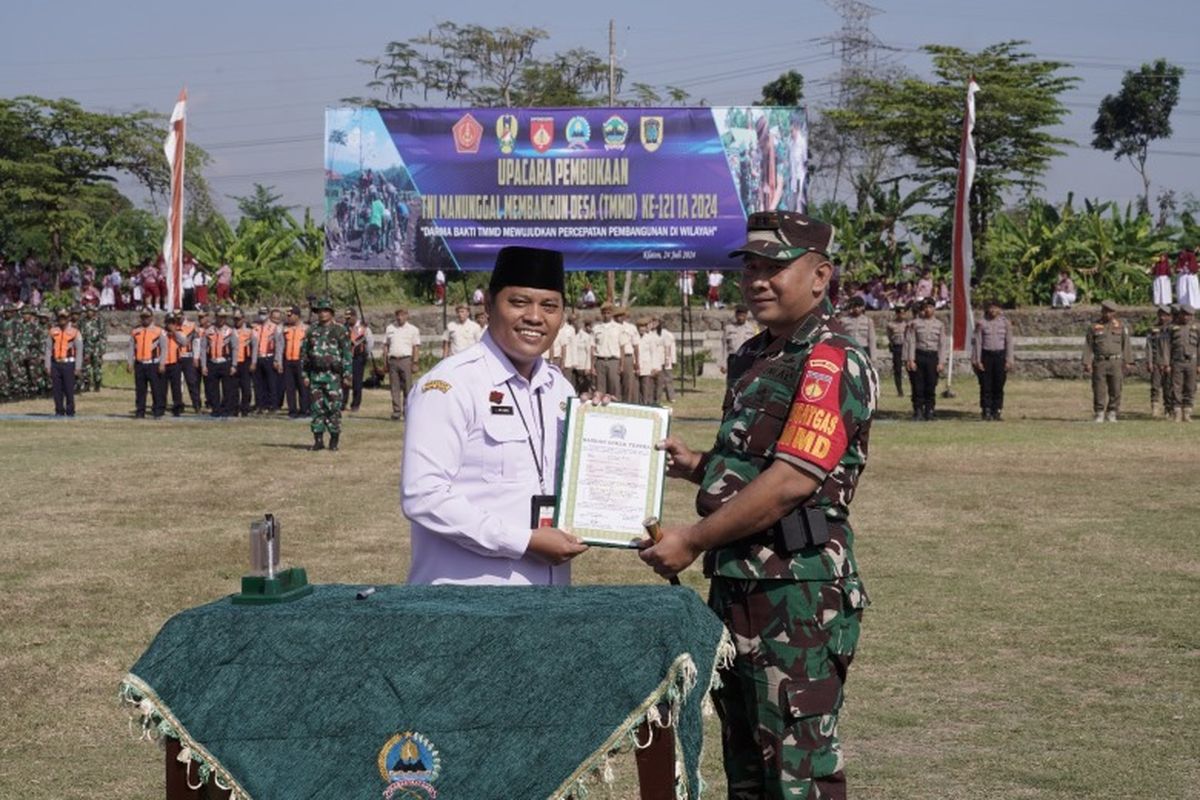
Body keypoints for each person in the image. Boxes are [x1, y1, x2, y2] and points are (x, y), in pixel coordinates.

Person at [638, 210, 875, 799]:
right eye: (751, 268)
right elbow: (753, 464)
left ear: (820, 276)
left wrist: (690, 541)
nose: (758, 280)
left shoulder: (829, 359)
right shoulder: (752, 358)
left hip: (795, 591)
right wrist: (696, 463)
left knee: (799, 770)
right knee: (745, 768)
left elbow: (793, 480)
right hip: (738, 584)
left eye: (776, 267)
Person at [402, 245, 587, 586]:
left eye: (550, 306)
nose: (535, 316)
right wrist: (524, 541)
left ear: (562, 315)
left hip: (548, 603)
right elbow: (423, 496)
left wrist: (603, 427)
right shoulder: (451, 385)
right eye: (519, 302)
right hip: (468, 603)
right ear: (488, 306)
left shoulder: (561, 391)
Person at [301, 297, 352, 451]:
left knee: (334, 408)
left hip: (333, 377)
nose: (322, 314)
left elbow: (346, 354)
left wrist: (347, 374)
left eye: (325, 311)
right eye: (319, 311)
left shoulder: (340, 330)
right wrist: (304, 375)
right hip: (316, 376)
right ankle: (318, 440)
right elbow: (304, 355)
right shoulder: (312, 331)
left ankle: (334, 441)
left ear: (331, 313)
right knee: (317, 408)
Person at [1082, 300, 1132, 423]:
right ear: (1102, 311)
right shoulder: (1094, 327)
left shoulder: (1120, 326)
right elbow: (1088, 346)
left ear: (1114, 313)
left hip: (1116, 362)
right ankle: (1099, 412)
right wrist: (1087, 362)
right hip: (1100, 362)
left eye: (1111, 312)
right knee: (1099, 388)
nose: (1108, 314)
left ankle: (1112, 412)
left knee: (1116, 388)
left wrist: (1128, 361)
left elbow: (1126, 345)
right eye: (1106, 311)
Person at [903, 297, 948, 420]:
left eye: (930, 307)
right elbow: (911, 342)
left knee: (931, 385)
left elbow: (942, 344)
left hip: (932, 356)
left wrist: (941, 361)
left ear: (934, 309)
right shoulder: (915, 324)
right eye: (925, 308)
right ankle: (918, 410)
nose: (928, 310)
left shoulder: (939, 325)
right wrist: (910, 360)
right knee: (918, 385)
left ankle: (930, 410)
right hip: (919, 355)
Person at [971, 299, 1015, 421]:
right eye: (991, 307)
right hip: (986, 356)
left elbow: (1009, 342)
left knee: (999, 384)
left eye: (996, 307)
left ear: (1000, 309)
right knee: (986, 384)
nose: (993, 310)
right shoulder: (981, 323)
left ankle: (997, 410)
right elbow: (977, 343)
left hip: (1000, 356)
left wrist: (1009, 359)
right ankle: (986, 410)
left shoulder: (1005, 323)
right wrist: (977, 360)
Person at [383, 307, 421, 421]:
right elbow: (386, 346)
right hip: (393, 359)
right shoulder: (390, 328)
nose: (400, 318)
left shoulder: (413, 329)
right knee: (394, 387)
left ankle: (407, 411)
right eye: (398, 315)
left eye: (402, 315)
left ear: (407, 316)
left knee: (407, 387)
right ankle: (396, 411)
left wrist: (415, 362)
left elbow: (416, 347)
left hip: (406, 359)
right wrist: (385, 362)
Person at [127, 309, 166, 418]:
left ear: (152, 317)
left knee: (156, 389)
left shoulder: (158, 331)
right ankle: (140, 411)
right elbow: (131, 348)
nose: (145, 319)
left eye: (147, 317)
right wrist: (130, 362)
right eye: (143, 317)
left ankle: (157, 411)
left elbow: (164, 348)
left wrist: (162, 363)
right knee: (140, 390)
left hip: (153, 363)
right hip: (140, 364)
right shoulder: (135, 331)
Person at [44, 309, 83, 417]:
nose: (62, 320)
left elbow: (79, 350)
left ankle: (70, 411)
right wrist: (47, 365)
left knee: (69, 389)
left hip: (68, 363)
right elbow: (48, 349)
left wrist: (78, 367)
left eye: (64, 318)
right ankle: (59, 410)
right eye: (60, 317)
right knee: (57, 390)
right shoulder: (53, 331)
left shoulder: (75, 332)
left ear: (68, 318)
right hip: (56, 363)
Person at [1168, 304, 1200, 422]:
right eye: (1185, 315)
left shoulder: (1197, 328)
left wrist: (1199, 364)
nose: (1187, 317)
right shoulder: (1172, 328)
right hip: (1177, 362)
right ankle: (1177, 411)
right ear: (1180, 314)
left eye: (1190, 315)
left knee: (1190, 387)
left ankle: (1187, 412)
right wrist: (1167, 363)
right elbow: (1166, 347)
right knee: (1176, 387)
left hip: (1192, 361)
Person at [200, 307, 233, 417]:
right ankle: (216, 409)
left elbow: (235, 348)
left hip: (225, 361)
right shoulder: (208, 330)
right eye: (219, 317)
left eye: (223, 317)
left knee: (227, 388)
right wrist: (204, 365)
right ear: (216, 317)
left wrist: (234, 365)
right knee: (212, 388)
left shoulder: (230, 331)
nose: (221, 319)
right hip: (212, 362)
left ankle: (226, 409)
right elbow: (203, 348)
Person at [280, 306, 310, 418]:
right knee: (290, 388)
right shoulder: (285, 329)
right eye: (287, 315)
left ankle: (304, 409)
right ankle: (292, 410)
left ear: (297, 316)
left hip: (300, 360)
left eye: (290, 315)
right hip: (288, 360)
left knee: (303, 386)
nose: (288, 318)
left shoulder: (306, 328)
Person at [342, 308, 373, 412]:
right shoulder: (344, 327)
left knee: (357, 382)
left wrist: (365, 355)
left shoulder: (363, 327)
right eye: (346, 318)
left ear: (355, 316)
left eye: (349, 318)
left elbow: (369, 342)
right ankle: (343, 403)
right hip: (346, 357)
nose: (347, 320)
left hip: (358, 357)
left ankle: (355, 404)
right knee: (345, 380)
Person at [253, 307, 283, 413]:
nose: (262, 315)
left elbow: (279, 345)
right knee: (259, 384)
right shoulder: (256, 327)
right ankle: (261, 405)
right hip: (259, 357)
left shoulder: (275, 327)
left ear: (268, 314)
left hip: (270, 357)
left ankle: (273, 405)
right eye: (261, 313)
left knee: (272, 383)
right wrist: (254, 360)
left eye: (264, 313)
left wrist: (277, 360)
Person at [1146, 305, 1174, 419]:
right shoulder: (1153, 329)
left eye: (1165, 315)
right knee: (1155, 387)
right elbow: (1148, 346)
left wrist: (1171, 364)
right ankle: (1155, 408)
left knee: (1168, 387)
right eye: (1160, 315)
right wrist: (1149, 362)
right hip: (1156, 362)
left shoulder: (1173, 330)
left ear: (1169, 316)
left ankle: (1168, 409)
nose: (1163, 317)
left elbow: (1175, 348)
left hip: (1169, 363)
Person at [592, 303, 623, 396]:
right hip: (600, 361)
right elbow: (593, 347)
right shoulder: (596, 328)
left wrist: (622, 365)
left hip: (613, 361)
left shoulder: (618, 328)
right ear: (601, 314)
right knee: (600, 389)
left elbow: (622, 348)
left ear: (612, 314)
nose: (606, 315)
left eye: (608, 313)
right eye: (604, 313)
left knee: (614, 387)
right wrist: (592, 365)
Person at [229, 309, 254, 417]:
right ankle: (234, 408)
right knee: (233, 388)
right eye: (235, 319)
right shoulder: (230, 331)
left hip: (245, 361)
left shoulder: (250, 331)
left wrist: (253, 362)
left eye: (238, 319)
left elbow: (255, 347)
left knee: (246, 388)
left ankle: (245, 408)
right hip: (234, 362)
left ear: (243, 319)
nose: (236, 321)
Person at [838, 296, 878, 363]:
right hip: (849, 350)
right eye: (854, 306)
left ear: (863, 307)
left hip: (863, 349)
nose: (856, 309)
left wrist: (873, 357)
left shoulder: (868, 321)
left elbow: (872, 339)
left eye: (859, 307)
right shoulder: (844, 321)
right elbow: (840, 337)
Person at [721, 304, 757, 375]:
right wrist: (723, 364)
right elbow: (724, 347)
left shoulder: (753, 328)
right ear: (736, 315)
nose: (740, 317)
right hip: (733, 359)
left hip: (747, 359)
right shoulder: (728, 328)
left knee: (746, 383)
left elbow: (757, 347)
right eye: (739, 314)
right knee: (732, 383)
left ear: (746, 315)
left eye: (742, 315)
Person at [634, 316, 661, 405]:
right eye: (640, 327)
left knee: (645, 387)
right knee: (636, 388)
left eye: (643, 327)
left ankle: (646, 404)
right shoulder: (634, 337)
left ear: (646, 328)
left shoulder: (650, 338)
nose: (642, 329)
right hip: (636, 366)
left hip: (646, 366)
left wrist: (655, 367)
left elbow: (654, 353)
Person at [615, 307, 638, 403]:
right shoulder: (612, 327)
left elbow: (636, 346)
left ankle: (627, 403)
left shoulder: (631, 328)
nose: (619, 318)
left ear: (624, 316)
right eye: (617, 316)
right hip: (615, 357)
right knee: (615, 384)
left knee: (628, 383)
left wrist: (636, 361)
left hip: (628, 356)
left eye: (621, 315)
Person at [884, 304, 908, 397]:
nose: (903, 315)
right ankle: (899, 390)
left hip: (906, 347)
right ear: (897, 314)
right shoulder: (891, 325)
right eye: (901, 313)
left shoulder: (907, 324)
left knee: (910, 368)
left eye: (904, 313)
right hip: (897, 347)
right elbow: (889, 336)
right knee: (897, 369)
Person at [79, 306, 105, 393]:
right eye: (88, 311)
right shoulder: (82, 321)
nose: (89, 312)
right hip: (86, 346)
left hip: (96, 346)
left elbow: (103, 336)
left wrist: (102, 349)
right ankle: (87, 384)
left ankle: (97, 384)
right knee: (86, 367)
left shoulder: (99, 321)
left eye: (91, 311)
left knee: (97, 366)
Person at [655, 317, 676, 405]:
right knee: (658, 381)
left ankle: (671, 396)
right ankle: (657, 397)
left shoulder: (667, 334)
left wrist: (669, 359)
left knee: (668, 379)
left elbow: (669, 348)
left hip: (665, 359)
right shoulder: (653, 334)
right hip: (657, 359)